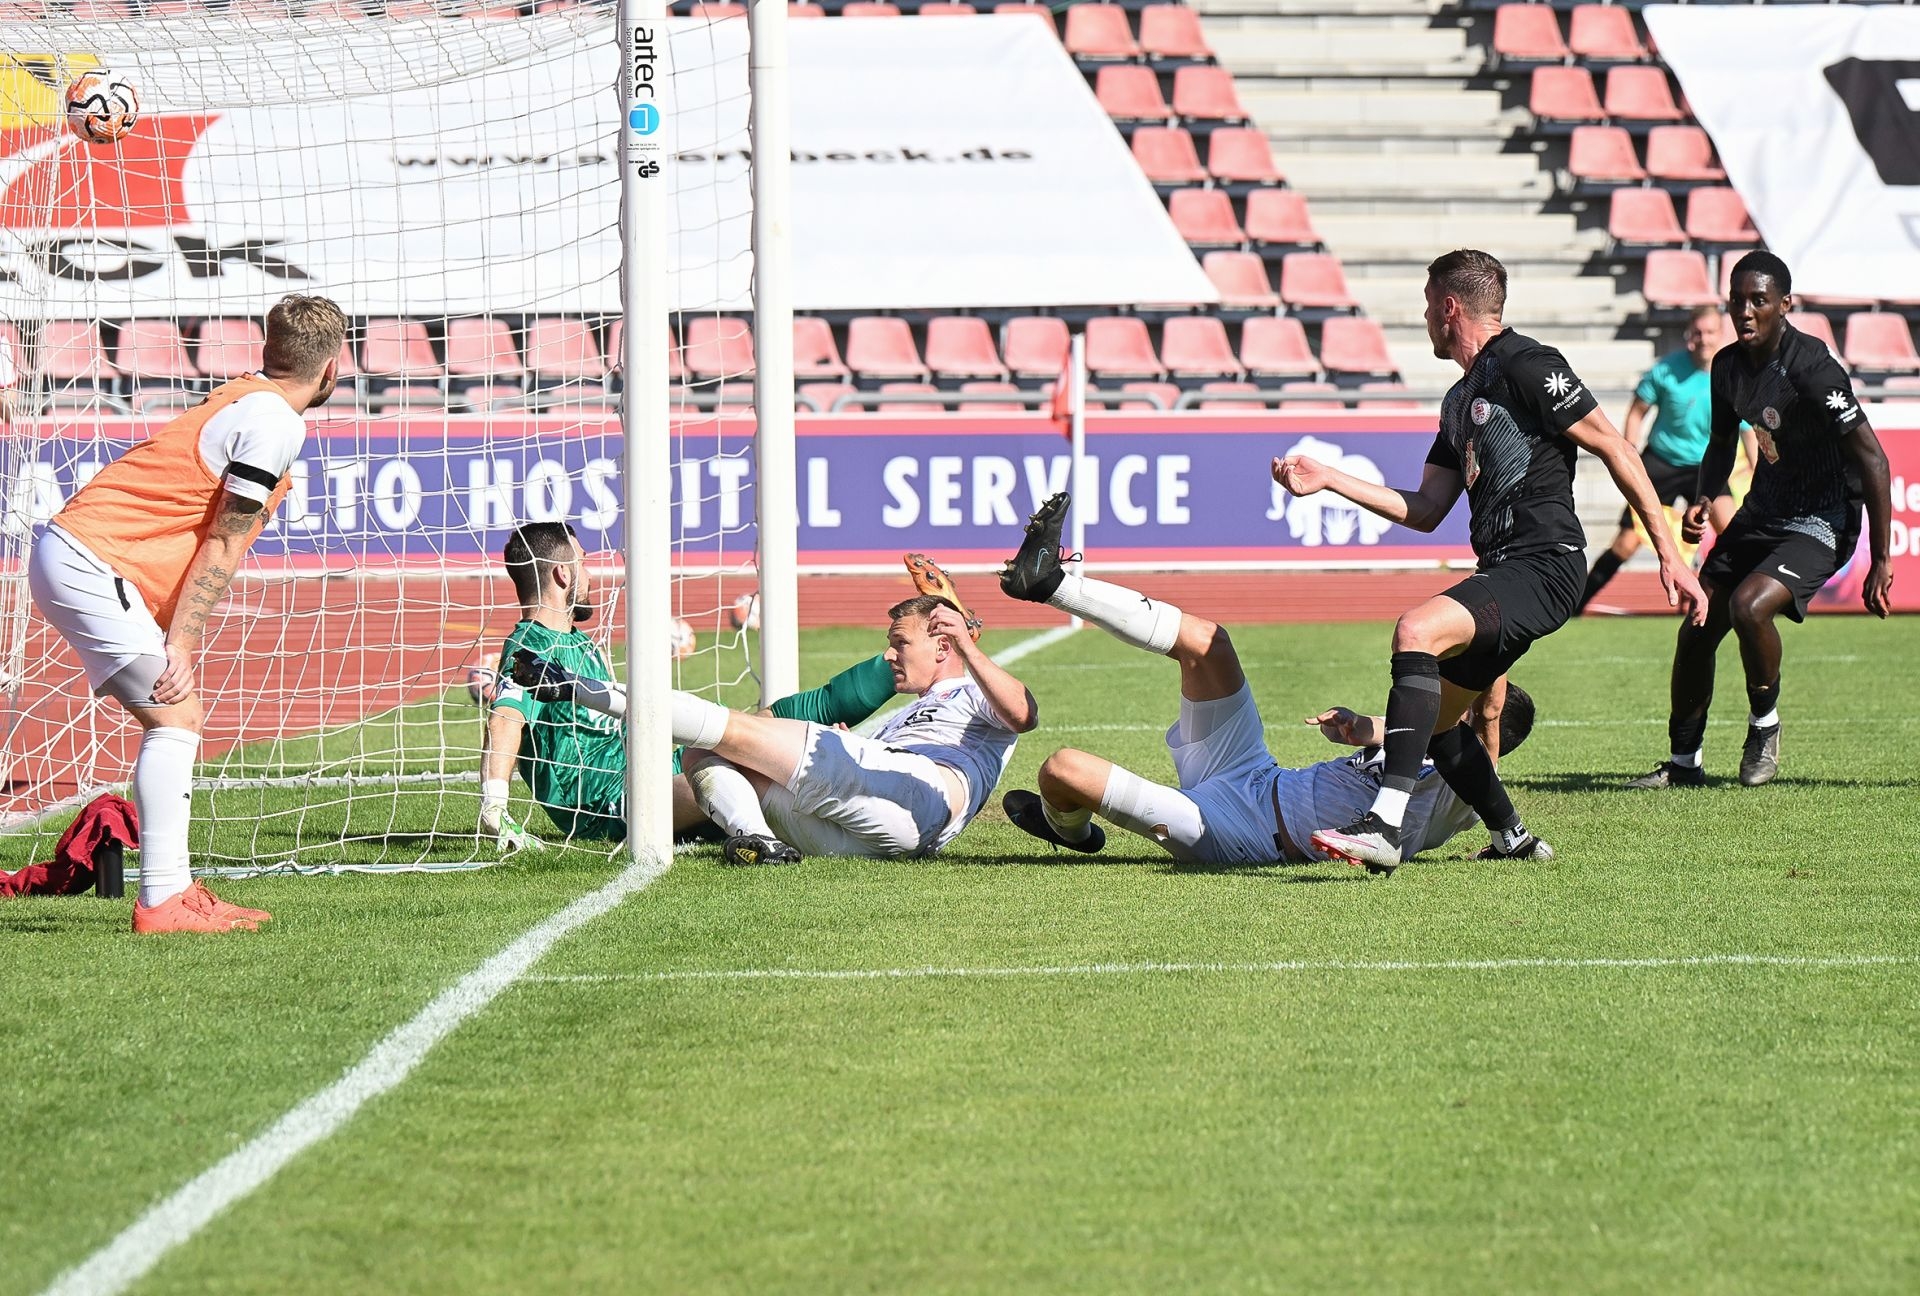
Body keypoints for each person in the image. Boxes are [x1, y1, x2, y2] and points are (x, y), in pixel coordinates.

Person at [1267, 249, 1706, 870]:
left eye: (1427, 307)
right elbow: (1424, 509)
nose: (1424, 319)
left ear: (1450, 308)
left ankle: (1384, 828)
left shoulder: (1530, 365)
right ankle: (1514, 839)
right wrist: (1329, 478)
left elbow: (1615, 446)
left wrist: (1670, 555)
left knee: (1415, 630)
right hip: (1503, 571)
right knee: (1441, 728)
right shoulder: (1457, 403)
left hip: (1546, 565)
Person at [994, 495, 1534, 875]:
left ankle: (1069, 832)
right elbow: (1394, 730)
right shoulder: (1425, 742)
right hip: (1254, 772)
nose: (1447, 693)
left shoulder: (1467, 788)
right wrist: (1356, 727)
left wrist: (1499, 593)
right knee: (1210, 643)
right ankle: (1052, 582)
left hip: (1242, 834)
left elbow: (1486, 716)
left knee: (1062, 768)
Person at [26, 294, 347, 932]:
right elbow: (224, 540)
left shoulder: (246, 392)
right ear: (333, 368)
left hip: (79, 552)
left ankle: (172, 891)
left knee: (176, 717)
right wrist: (183, 641)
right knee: (176, 716)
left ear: (267, 352)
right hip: (92, 559)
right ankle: (163, 900)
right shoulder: (278, 423)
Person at [481, 522, 984, 859]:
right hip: (603, 799)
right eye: (586, 563)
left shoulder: (574, 640)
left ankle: (928, 634)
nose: (593, 573)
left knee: (762, 726)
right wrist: (493, 806)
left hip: (638, 766)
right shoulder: (530, 646)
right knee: (748, 753)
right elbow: (506, 718)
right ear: (564, 574)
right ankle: (756, 841)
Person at [1629, 251, 1894, 790]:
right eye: (1737, 300)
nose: (1745, 311)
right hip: (1763, 512)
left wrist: (1883, 558)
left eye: (1759, 301)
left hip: (1822, 519)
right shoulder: (1727, 366)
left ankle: (1764, 728)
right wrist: (1704, 499)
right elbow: (1722, 442)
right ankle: (1683, 765)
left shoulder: (1813, 370)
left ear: (1785, 305)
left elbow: (1874, 459)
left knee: (1749, 608)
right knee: (1699, 624)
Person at [516, 590, 1037, 861]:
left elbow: (1024, 714)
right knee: (708, 758)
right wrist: (854, 743)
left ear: (944, 645)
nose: (890, 653)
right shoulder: (904, 716)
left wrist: (969, 647)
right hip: (878, 836)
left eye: (900, 642)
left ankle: (579, 690)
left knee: (729, 730)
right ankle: (757, 842)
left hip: (922, 797)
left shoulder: (974, 694)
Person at [1580, 306, 1757, 612]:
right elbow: (1637, 412)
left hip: (1707, 467)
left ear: (1722, 334)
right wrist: (1629, 452)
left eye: (1710, 332)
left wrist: (1759, 473)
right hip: (1662, 461)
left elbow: (1748, 432)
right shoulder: (1666, 370)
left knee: (1731, 534)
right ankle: (1575, 604)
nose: (1703, 339)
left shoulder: (1731, 375)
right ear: (1690, 334)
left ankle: (1734, 600)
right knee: (1626, 543)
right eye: (1698, 332)